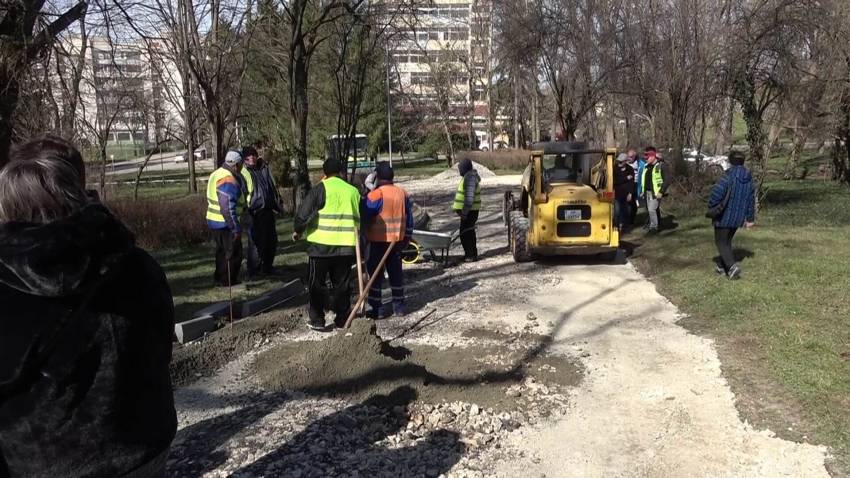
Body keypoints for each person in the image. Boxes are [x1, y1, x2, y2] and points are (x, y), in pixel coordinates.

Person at [0, 145, 176, 477]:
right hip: (145, 443)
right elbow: (162, 343)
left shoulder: (7, 285)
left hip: (48, 462)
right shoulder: (135, 262)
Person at [293, 158, 361, 330]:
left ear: (324, 173)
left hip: (320, 247)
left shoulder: (319, 189)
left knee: (316, 283)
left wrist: (298, 231)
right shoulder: (353, 191)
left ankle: (317, 319)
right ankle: (343, 318)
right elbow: (363, 215)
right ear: (340, 172)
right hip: (345, 247)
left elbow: (303, 215)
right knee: (342, 284)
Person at [363, 162, 413, 319]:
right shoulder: (402, 193)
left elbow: (365, 216)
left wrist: (366, 192)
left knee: (375, 275)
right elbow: (409, 219)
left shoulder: (376, 195)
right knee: (396, 273)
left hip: (377, 242)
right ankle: (399, 307)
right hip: (397, 241)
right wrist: (407, 238)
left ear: (377, 177)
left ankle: (377, 309)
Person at [708, 151, 755, 280]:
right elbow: (751, 200)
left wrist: (711, 205)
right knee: (727, 241)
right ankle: (722, 266)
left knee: (720, 242)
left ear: (730, 162)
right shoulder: (749, 179)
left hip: (724, 215)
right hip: (738, 217)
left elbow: (716, 194)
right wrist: (750, 218)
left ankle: (732, 267)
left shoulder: (727, 177)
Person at [240, 146, 282, 276]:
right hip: (253, 211)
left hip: (268, 209)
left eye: (253, 155)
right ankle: (254, 269)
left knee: (271, 240)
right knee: (255, 242)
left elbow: (272, 186)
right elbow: (243, 192)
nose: (251, 157)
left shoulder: (264, 168)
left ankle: (268, 266)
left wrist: (278, 203)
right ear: (244, 159)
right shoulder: (243, 172)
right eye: (248, 156)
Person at [207, 151, 245, 286]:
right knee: (233, 253)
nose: (241, 168)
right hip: (225, 223)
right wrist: (235, 228)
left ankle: (219, 278)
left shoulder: (217, 173)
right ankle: (228, 281)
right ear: (235, 165)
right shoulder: (228, 178)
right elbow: (226, 207)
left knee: (221, 252)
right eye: (240, 165)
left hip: (214, 221)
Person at [452, 158, 481, 262]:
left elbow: (469, 198)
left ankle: (470, 255)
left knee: (466, 234)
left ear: (464, 168)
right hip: (470, 211)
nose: (459, 171)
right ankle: (471, 254)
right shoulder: (469, 177)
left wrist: (464, 212)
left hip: (469, 211)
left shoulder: (469, 178)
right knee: (468, 232)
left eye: (460, 169)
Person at [639, 146, 668, 234]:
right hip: (647, 192)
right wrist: (642, 191)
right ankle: (657, 224)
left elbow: (667, 180)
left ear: (653, 156)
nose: (645, 159)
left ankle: (654, 228)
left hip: (656, 192)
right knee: (652, 209)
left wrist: (661, 191)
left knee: (652, 209)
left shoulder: (661, 166)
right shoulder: (646, 166)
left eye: (647, 158)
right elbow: (644, 180)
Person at [613, 153, 635, 231]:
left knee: (627, 211)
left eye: (621, 162)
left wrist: (630, 193)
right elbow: (614, 181)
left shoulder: (630, 169)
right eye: (619, 161)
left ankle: (625, 226)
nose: (619, 163)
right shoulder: (614, 169)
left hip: (627, 194)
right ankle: (616, 226)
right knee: (617, 211)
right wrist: (626, 178)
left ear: (625, 161)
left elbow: (631, 183)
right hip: (617, 194)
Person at [625, 148, 645, 226]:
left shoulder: (641, 164)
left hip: (637, 184)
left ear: (634, 157)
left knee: (634, 203)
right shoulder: (625, 163)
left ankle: (631, 220)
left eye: (631, 157)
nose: (629, 158)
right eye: (628, 156)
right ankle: (626, 219)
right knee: (628, 203)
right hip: (628, 185)